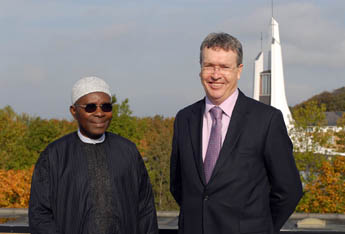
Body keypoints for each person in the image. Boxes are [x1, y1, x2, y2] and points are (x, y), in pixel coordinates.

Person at [170, 33, 303, 234]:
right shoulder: (184, 119)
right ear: (200, 69)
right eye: (209, 66)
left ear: (239, 71)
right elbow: (178, 185)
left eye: (224, 67)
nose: (216, 75)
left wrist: (259, 228)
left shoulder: (266, 120)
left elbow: (289, 190)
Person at [29, 76, 158, 234]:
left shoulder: (128, 151)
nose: (99, 113)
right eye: (90, 107)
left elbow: (145, 210)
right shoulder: (54, 156)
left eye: (106, 107)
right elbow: (40, 215)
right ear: (74, 111)